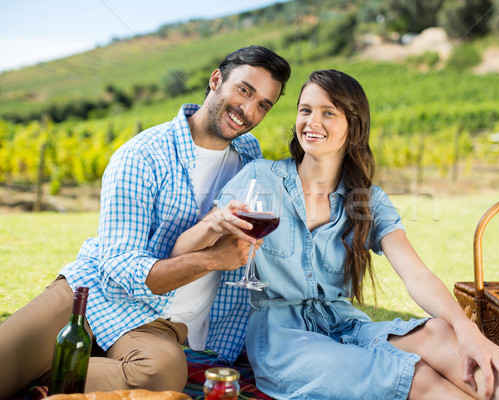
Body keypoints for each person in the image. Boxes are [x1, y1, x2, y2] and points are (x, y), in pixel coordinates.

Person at [172, 70, 499, 399]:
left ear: (353, 126)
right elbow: (181, 252)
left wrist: (470, 332)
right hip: (283, 338)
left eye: (329, 113)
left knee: (444, 335)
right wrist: (213, 223)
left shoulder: (367, 199)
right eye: (305, 110)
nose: (313, 122)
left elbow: (416, 275)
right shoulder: (259, 178)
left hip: (346, 325)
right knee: (418, 377)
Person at [0, 45, 290, 398]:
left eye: (263, 104)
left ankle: (44, 385)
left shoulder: (250, 156)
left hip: (154, 326)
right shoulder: (142, 156)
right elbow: (121, 268)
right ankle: (51, 367)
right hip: (91, 300)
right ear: (215, 80)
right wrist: (213, 259)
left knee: (163, 373)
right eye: (244, 90)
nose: (248, 110)